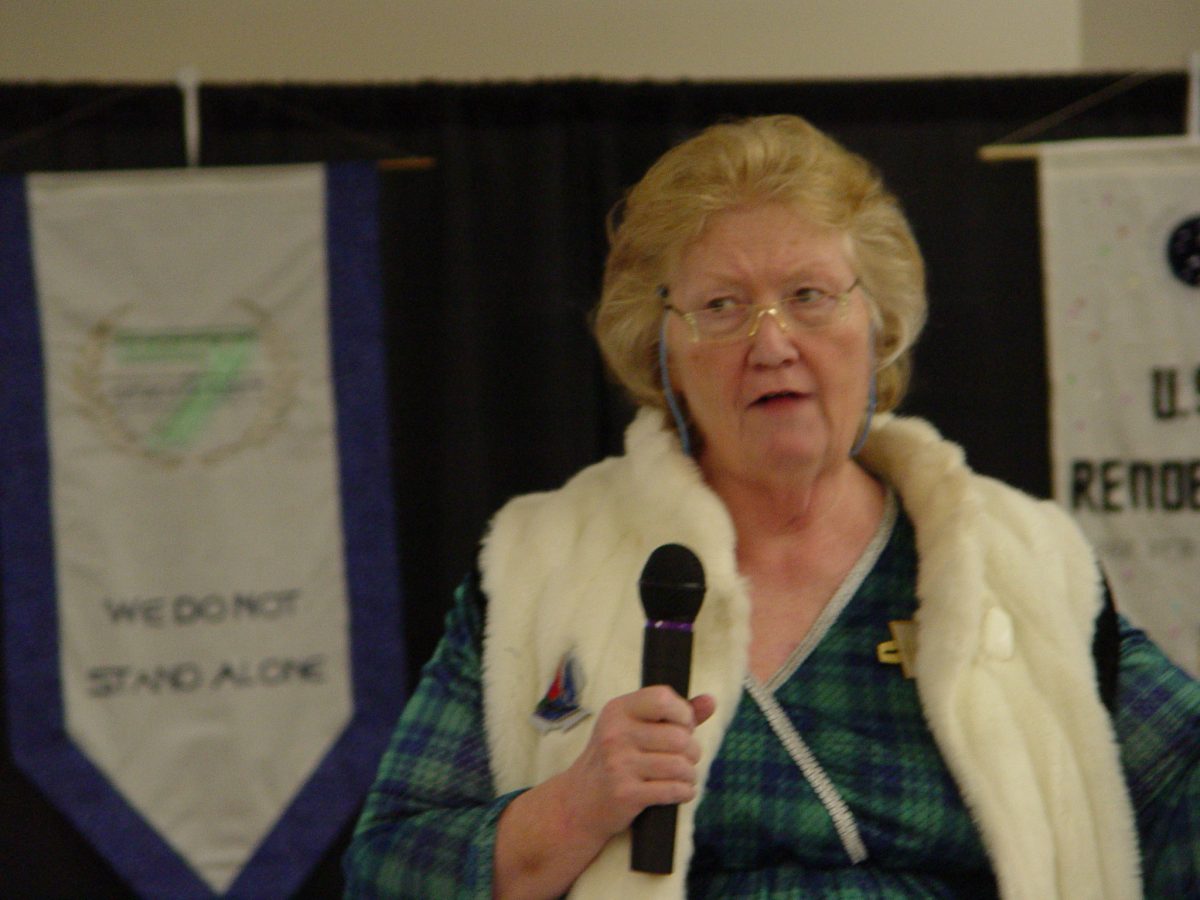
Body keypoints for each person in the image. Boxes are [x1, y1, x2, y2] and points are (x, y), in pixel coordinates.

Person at [344, 115, 1198, 898]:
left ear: (879, 326)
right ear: (661, 352)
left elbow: (1184, 792)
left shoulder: (1017, 558)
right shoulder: (541, 563)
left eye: (809, 296)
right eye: (721, 307)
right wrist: (573, 807)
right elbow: (386, 870)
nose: (772, 342)